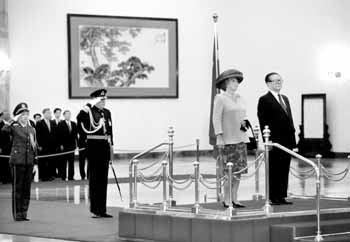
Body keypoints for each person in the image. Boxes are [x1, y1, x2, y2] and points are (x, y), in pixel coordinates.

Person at [257, 72, 296, 205]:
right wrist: (268, 140)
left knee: (285, 167)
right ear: (268, 83)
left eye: (280, 80)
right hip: (274, 140)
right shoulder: (264, 99)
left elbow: (289, 120)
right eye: (275, 81)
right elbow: (263, 121)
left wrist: (293, 142)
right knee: (275, 168)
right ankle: (273, 196)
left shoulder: (284, 98)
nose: (278, 83)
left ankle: (282, 195)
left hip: (287, 140)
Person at [212, 69, 249, 208]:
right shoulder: (220, 98)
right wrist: (219, 136)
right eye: (233, 81)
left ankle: (235, 198)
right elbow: (216, 118)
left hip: (241, 138)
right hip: (228, 139)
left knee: (238, 172)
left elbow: (242, 116)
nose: (236, 83)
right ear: (226, 83)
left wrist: (245, 123)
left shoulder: (239, 97)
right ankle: (226, 199)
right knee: (229, 172)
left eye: (237, 81)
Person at [78, 89, 114, 218]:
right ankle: (95, 209)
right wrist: (86, 107)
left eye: (105, 99)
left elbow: (110, 132)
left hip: (104, 147)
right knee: (94, 180)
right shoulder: (88, 112)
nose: (104, 101)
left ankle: (102, 209)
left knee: (103, 180)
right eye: (101, 99)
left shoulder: (107, 112)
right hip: (93, 148)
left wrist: (111, 149)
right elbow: (79, 121)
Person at [1, 103, 37, 221]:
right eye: (22, 115)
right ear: (18, 116)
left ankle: (24, 213)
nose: (25, 117)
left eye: (27, 114)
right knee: (17, 188)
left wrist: (35, 162)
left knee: (26, 189)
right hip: (17, 161)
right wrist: (12, 120)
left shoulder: (32, 129)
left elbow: (34, 146)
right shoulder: (14, 127)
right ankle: (17, 214)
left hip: (29, 162)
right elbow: (3, 131)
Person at [36, 108, 56, 181]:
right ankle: (43, 176)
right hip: (43, 146)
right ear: (44, 114)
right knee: (43, 162)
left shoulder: (53, 122)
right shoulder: (39, 123)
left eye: (50, 113)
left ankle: (50, 175)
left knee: (51, 161)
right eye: (47, 113)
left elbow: (54, 134)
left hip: (51, 146)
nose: (49, 114)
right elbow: (38, 135)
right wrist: (39, 146)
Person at [57, 110, 78, 180]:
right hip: (64, 146)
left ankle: (71, 176)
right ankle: (63, 176)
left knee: (71, 162)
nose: (68, 115)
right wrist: (60, 145)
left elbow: (75, 135)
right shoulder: (60, 124)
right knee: (64, 162)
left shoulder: (74, 124)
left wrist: (76, 144)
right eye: (67, 114)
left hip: (72, 146)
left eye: (69, 114)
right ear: (64, 115)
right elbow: (58, 135)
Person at [0, 111, 13, 184]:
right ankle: (3, 178)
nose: (9, 115)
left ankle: (9, 177)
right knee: (3, 163)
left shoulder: (11, 123)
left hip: (11, 146)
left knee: (10, 163)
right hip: (3, 146)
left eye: (9, 114)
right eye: (7, 114)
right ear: (2, 116)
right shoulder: (0, 124)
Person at [77, 111, 88, 180]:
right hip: (82, 143)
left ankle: (89, 174)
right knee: (82, 160)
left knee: (90, 160)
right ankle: (82, 175)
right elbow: (78, 117)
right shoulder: (80, 121)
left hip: (90, 142)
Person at [52, 108, 62, 178]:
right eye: (57, 113)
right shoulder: (51, 122)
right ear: (54, 114)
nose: (58, 114)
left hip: (61, 144)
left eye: (59, 113)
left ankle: (61, 173)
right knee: (54, 159)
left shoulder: (62, 122)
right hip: (53, 144)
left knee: (61, 159)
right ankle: (54, 173)